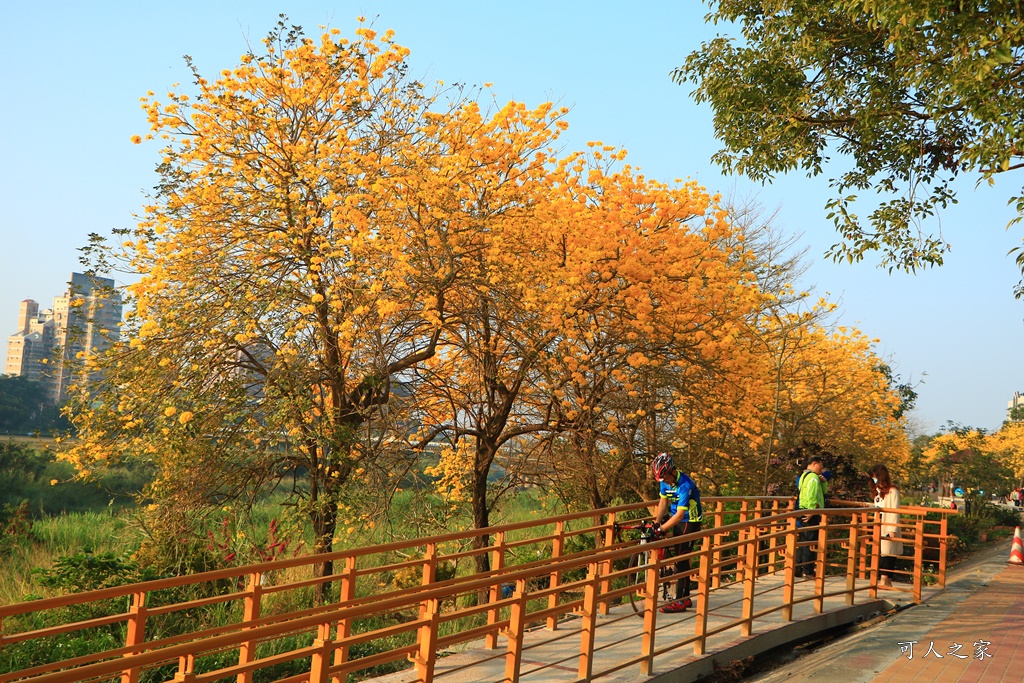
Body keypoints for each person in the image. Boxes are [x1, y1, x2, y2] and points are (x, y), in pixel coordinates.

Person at [651, 452, 703, 613]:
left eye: (665, 478)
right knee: (680, 558)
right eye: (661, 479)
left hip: (690, 521)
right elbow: (663, 502)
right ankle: (684, 597)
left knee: (681, 558)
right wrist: (657, 522)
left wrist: (662, 529)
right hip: (676, 519)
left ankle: (682, 600)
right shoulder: (664, 482)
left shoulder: (685, 484)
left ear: (673, 471)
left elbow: (681, 515)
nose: (664, 481)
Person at [869, 464, 903, 587]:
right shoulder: (878, 492)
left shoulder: (893, 491)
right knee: (885, 552)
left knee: (889, 552)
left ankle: (885, 579)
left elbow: (894, 509)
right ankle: (885, 579)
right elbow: (878, 506)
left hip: (888, 523)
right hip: (880, 523)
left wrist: (892, 528)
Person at [795, 456, 826, 577]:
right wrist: (813, 510)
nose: (821, 469)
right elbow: (812, 494)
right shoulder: (813, 477)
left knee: (803, 541)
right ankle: (807, 570)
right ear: (814, 464)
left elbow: (822, 492)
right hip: (810, 512)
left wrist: (823, 483)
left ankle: (798, 567)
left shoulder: (804, 476)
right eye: (820, 465)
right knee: (810, 542)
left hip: (802, 509)